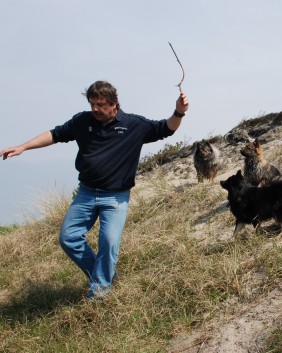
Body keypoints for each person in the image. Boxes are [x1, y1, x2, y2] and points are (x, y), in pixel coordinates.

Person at [0, 80, 189, 300]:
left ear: (114, 104)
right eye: (92, 104)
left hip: (116, 197)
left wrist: (179, 112)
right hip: (87, 192)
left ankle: (98, 293)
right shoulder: (82, 121)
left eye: (100, 105)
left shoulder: (133, 125)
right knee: (68, 237)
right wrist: (23, 146)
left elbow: (166, 128)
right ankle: (105, 276)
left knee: (108, 242)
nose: (95, 109)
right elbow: (55, 134)